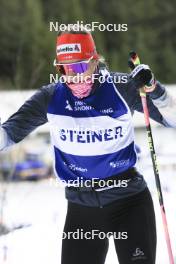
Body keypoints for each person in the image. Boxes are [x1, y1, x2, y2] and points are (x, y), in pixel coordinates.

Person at [0, 27, 176, 264]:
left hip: (129, 202)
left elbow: (172, 119)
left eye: (80, 67)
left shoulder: (121, 88)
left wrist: (156, 89)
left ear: (95, 60)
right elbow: (9, 132)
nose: (74, 76)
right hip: (82, 208)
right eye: (65, 69)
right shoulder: (51, 98)